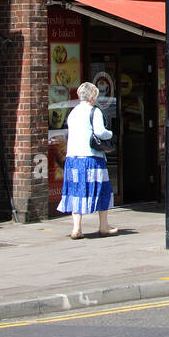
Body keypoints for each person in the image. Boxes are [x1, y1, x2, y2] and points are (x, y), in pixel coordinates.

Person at [58, 82, 117, 239]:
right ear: (92, 96)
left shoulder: (73, 112)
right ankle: (103, 226)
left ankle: (76, 228)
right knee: (102, 190)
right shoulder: (94, 111)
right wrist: (110, 134)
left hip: (72, 158)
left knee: (76, 191)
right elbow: (100, 132)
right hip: (92, 158)